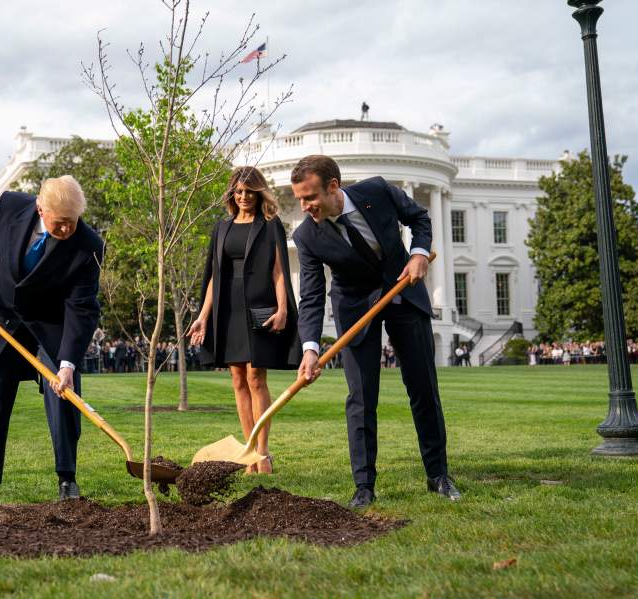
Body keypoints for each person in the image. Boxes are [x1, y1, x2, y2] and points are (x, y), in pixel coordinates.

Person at [291, 155, 458, 508]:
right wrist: (309, 348)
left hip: (403, 292)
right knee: (361, 399)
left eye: (310, 198)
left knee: (423, 389)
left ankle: (438, 475)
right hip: (354, 309)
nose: (305, 207)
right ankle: (364, 487)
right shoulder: (306, 235)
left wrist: (418, 253)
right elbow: (311, 295)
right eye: (300, 200)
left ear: (333, 187)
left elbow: (419, 218)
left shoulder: (378, 191)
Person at [0, 175, 103, 500]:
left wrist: (67, 365)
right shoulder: (9, 206)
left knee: (63, 394)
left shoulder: (89, 246)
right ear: (40, 209)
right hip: (3, 315)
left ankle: (67, 478)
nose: (67, 230)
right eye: (60, 223)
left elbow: (82, 307)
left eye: (72, 223)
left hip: (52, 323)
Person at [188, 166, 301, 475]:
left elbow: (278, 270)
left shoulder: (270, 224)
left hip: (259, 307)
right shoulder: (222, 227)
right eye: (238, 192)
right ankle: (248, 452)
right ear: (232, 194)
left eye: (249, 191)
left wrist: (283, 309)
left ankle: (262, 453)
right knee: (237, 379)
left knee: (256, 378)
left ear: (258, 192)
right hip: (228, 309)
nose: (243, 197)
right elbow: (213, 276)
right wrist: (203, 317)